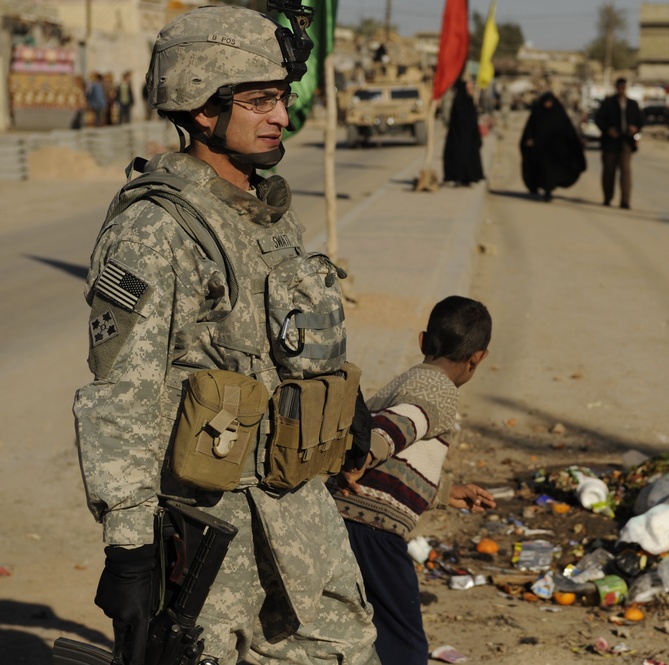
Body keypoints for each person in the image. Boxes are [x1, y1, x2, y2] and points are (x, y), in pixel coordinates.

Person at [72, 6, 380, 665]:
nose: (280, 115)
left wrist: (342, 400)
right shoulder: (154, 229)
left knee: (348, 647)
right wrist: (129, 547)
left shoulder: (262, 205)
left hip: (297, 506)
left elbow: (287, 332)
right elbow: (119, 393)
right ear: (201, 106)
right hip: (209, 525)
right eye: (261, 100)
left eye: (283, 97)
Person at [331, 296, 496, 665]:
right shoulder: (440, 390)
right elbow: (405, 423)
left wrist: (446, 492)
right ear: (478, 358)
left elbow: (397, 468)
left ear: (423, 341)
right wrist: (366, 455)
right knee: (404, 644)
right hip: (374, 534)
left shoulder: (408, 379)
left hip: (343, 520)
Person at [519, 91, 586, 201]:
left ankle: (548, 191)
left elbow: (568, 132)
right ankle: (544, 189)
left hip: (555, 152)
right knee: (542, 170)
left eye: (549, 102)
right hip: (540, 150)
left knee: (551, 173)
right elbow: (529, 128)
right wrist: (529, 139)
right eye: (546, 102)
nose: (547, 105)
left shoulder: (558, 114)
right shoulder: (538, 113)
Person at [595, 77, 642, 209]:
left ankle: (625, 201)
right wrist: (608, 130)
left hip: (626, 141)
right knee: (609, 171)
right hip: (610, 143)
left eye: (623, 87)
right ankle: (607, 197)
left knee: (625, 171)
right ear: (616, 88)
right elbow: (599, 119)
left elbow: (640, 120)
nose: (621, 90)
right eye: (619, 87)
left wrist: (635, 128)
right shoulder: (608, 103)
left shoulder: (632, 104)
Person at [443, 79, 484, 186]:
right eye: (469, 88)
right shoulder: (458, 103)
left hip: (469, 137)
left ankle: (467, 178)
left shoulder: (468, 101)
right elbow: (460, 120)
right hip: (460, 138)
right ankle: (459, 177)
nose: (471, 89)